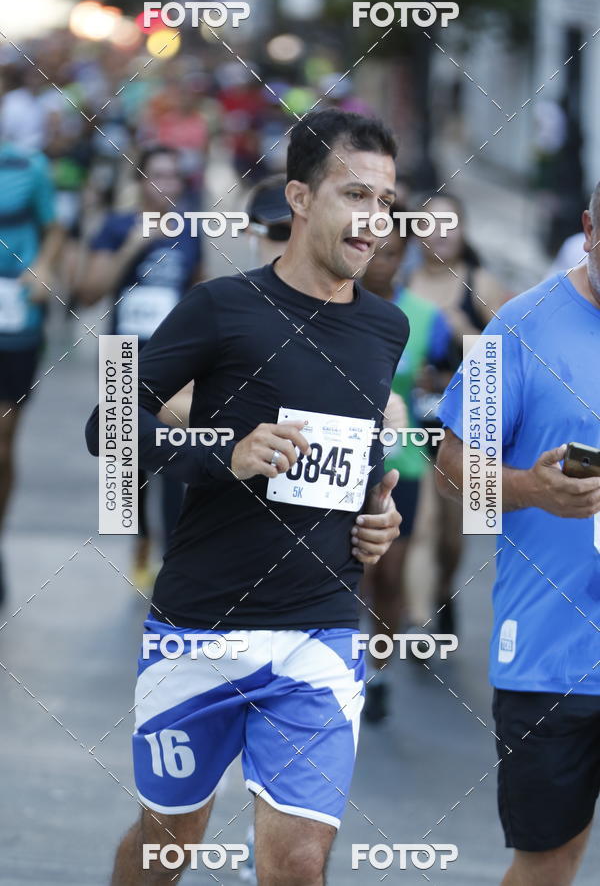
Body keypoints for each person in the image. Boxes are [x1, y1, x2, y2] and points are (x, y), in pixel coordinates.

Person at [85, 108, 406, 886]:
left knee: (297, 862)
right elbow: (107, 428)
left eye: (386, 203)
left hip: (318, 632)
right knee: (167, 846)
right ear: (299, 197)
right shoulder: (221, 307)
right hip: (200, 626)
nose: (373, 220)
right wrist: (222, 450)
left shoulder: (385, 329)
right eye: (354, 195)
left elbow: (344, 464)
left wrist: (377, 518)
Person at [435, 185, 600, 886]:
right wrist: (534, 489)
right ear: (589, 229)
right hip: (552, 651)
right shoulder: (519, 325)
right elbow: (450, 463)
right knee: (549, 860)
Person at [76, 145, 204, 594]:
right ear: (140, 182)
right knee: (125, 462)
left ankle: (171, 552)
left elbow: (200, 291)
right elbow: (88, 292)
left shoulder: (189, 231)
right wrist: (132, 246)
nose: (165, 186)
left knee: (171, 449)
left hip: (173, 359)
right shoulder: (115, 227)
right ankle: (141, 542)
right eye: (156, 176)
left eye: (173, 177)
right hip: (121, 356)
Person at [360, 203, 452, 722]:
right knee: (348, 573)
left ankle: (379, 672)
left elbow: (446, 377)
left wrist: (434, 386)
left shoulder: (424, 318)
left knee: (388, 575)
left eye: (392, 252)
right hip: (339, 458)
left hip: (404, 463)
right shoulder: (331, 307)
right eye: (374, 249)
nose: (381, 261)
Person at [403, 192, 508, 635]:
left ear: (464, 231)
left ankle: (442, 590)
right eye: (429, 225)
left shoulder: (478, 283)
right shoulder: (401, 284)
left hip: (464, 426)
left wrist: (467, 336)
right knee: (422, 526)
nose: (440, 234)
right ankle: (417, 618)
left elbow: (511, 356)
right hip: (410, 424)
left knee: (451, 536)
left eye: (450, 224)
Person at [0, 132, 60, 605]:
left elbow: (55, 228)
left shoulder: (27, 165)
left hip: (15, 316)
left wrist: (41, 267)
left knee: (2, 439)